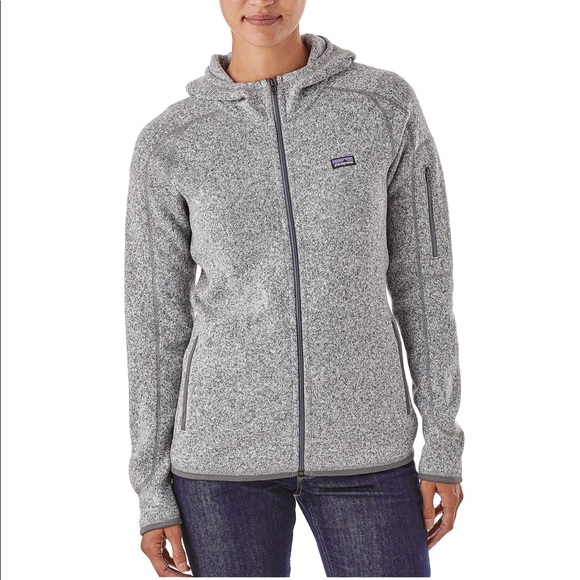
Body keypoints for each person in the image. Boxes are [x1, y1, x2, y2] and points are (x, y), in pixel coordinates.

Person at [124, 0, 465, 576]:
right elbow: (153, 322)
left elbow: (424, 280)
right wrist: (152, 488)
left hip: (368, 446)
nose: (262, 2)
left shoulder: (382, 105)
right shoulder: (171, 141)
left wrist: (443, 441)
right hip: (220, 462)